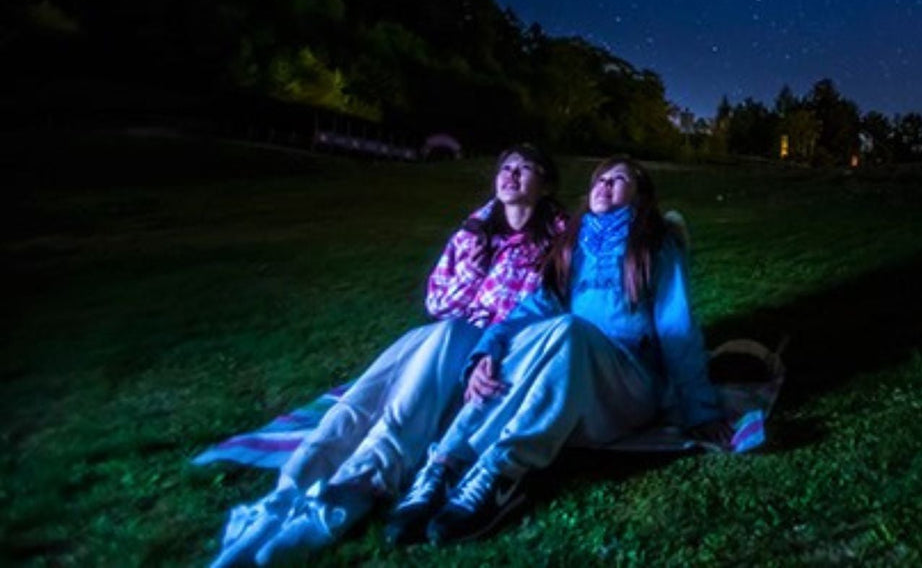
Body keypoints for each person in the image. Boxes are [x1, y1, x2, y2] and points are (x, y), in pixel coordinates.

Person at [211, 144, 565, 568]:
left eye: (525, 169)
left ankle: (353, 490)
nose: (511, 176)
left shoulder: (558, 238)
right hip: (447, 332)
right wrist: (474, 263)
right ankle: (288, 491)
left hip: (500, 344)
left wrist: (487, 332)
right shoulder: (474, 231)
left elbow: (549, 305)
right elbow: (438, 297)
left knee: (409, 397)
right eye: (505, 167)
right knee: (369, 394)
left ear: (545, 185)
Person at [383, 155, 732, 547]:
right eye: (600, 179)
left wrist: (701, 410)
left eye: (618, 179)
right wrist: (487, 350)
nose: (604, 184)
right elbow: (534, 307)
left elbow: (676, 326)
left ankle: (503, 472)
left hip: (631, 386)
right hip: (578, 384)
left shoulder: (655, 241)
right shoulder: (574, 243)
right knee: (524, 341)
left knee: (568, 330)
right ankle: (446, 463)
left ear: (641, 195)